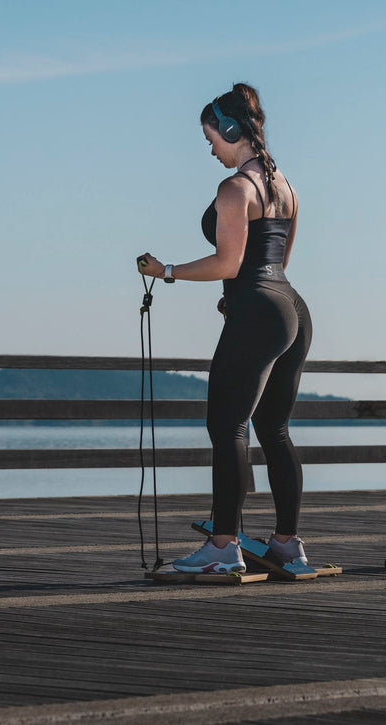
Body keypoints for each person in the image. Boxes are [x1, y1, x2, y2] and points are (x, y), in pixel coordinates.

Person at [138, 83, 314, 574]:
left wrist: (166, 271)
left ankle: (222, 547)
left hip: (261, 310)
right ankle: (287, 544)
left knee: (226, 425)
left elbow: (229, 262)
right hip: (292, 309)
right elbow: (277, 262)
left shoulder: (235, 189)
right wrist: (251, 300)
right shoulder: (286, 188)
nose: (210, 148)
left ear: (231, 130)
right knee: (273, 428)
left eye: (211, 137)